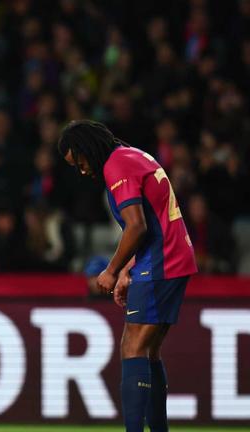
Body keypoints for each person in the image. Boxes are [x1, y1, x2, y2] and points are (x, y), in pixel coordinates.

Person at [57, 120, 197, 432]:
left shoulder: (115, 165)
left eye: (79, 162)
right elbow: (152, 218)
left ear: (88, 150)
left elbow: (137, 226)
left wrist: (111, 270)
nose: (81, 170)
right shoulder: (133, 155)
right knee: (148, 350)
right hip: (170, 257)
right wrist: (129, 268)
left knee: (132, 346)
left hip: (162, 262)